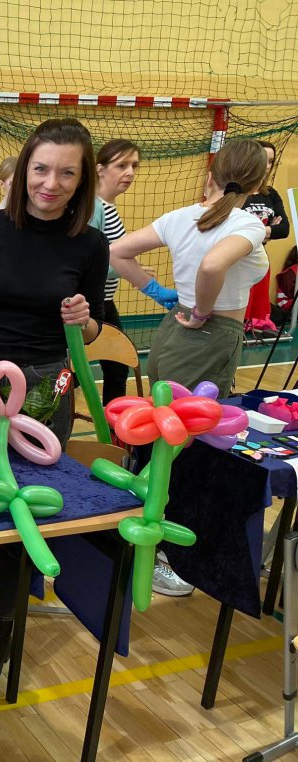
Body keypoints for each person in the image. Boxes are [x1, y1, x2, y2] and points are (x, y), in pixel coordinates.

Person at [0, 118, 110, 688]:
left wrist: (84, 321)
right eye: (41, 169)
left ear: (82, 181)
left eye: (67, 173)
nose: (51, 183)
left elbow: (94, 330)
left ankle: (5, 626)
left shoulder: (90, 243)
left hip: (46, 383)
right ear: (24, 171)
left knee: (28, 507)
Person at [111, 139, 269, 597]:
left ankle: (151, 541)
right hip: (204, 335)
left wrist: (160, 293)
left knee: (171, 440)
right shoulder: (247, 223)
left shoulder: (183, 216)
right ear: (258, 181)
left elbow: (117, 252)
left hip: (178, 335)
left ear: (211, 173)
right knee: (182, 447)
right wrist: (200, 310)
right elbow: (213, 264)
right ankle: (165, 553)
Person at [94, 139, 142, 403]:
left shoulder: (108, 206)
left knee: (116, 368)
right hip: (91, 305)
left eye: (134, 165)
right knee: (73, 372)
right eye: (122, 165)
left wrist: (129, 268)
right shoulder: (95, 207)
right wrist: (125, 270)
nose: (130, 172)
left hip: (104, 303)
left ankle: (113, 424)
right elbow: (87, 263)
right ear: (100, 169)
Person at [242, 140, 291, 337]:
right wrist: (267, 230)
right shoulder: (237, 193)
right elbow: (232, 229)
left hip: (260, 258)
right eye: (263, 160)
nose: (267, 166)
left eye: (271, 161)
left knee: (257, 309)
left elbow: (284, 229)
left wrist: (256, 232)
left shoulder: (270, 194)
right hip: (238, 260)